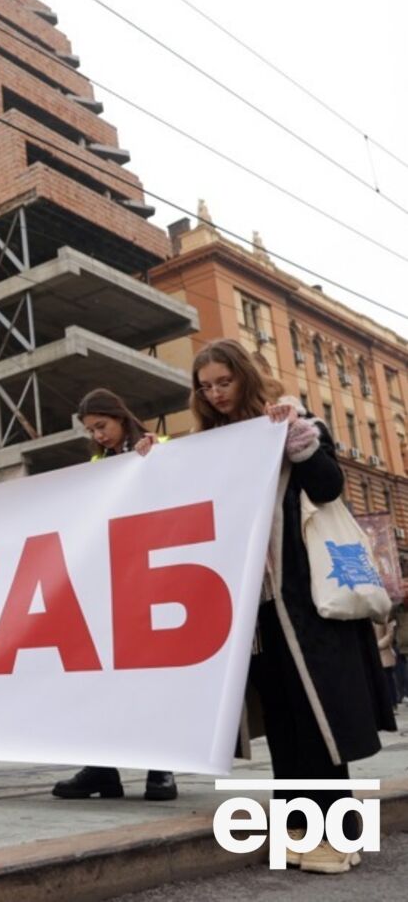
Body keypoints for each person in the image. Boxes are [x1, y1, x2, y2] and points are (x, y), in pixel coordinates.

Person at [192, 338, 394, 874]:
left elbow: (328, 488)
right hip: (255, 609)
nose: (215, 394)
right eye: (206, 387)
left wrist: (297, 438)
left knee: (318, 718)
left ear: (245, 376)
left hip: (309, 603)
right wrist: (150, 458)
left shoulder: (292, 424)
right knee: (283, 720)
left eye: (224, 382)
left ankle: (339, 836)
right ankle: (300, 831)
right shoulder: (211, 447)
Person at [51, 389, 176, 802]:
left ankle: (161, 767)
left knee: (153, 676)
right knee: (100, 678)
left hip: (154, 577)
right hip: (109, 583)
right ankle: (102, 768)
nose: (98, 436)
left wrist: (158, 456)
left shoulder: (159, 446)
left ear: (121, 417)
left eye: (101, 426)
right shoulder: (98, 464)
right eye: (91, 431)